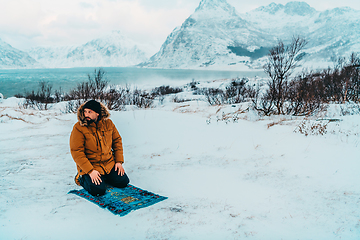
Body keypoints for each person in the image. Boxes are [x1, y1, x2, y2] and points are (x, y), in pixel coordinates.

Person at [70, 100, 129, 196]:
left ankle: (105, 177)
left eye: (90, 112)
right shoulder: (78, 128)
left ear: (97, 113)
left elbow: (117, 141)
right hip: (91, 166)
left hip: (108, 164)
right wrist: (90, 171)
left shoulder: (108, 123)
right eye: (85, 112)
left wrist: (118, 162)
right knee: (98, 190)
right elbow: (77, 152)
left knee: (123, 182)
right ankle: (81, 178)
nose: (86, 115)